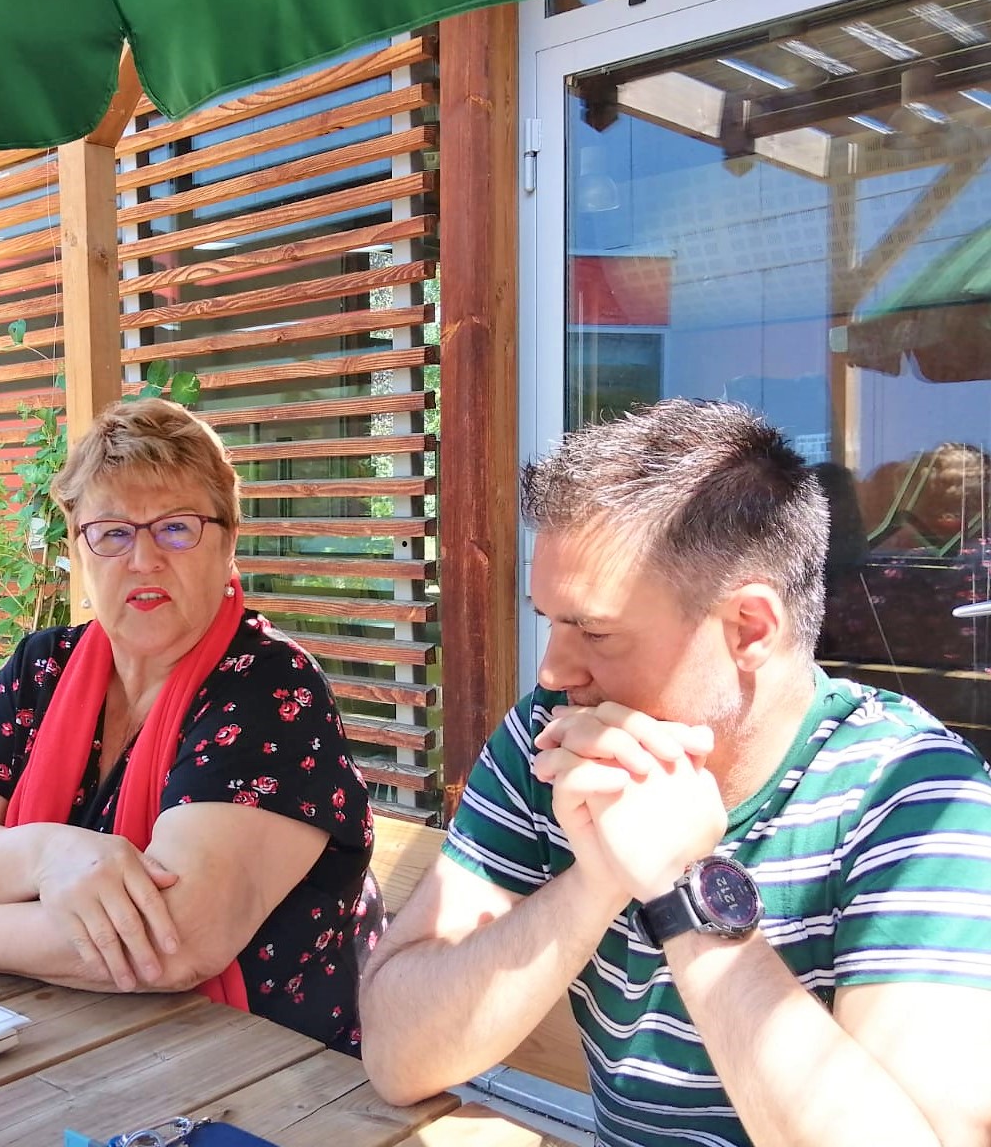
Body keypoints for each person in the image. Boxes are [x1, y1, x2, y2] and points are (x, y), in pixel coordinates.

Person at [359, 400, 991, 1145]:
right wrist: (595, 878)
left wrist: (685, 887)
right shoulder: (549, 741)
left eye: (593, 630)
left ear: (747, 629)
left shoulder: (909, 797)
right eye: (549, 621)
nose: (552, 670)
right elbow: (398, 1057)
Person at [0, 398, 380, 1053]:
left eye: (175, 528)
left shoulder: (270, 689)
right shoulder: (41, 669)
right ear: (79, 548)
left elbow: (173, 942)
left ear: (229, 541)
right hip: (61, 1040)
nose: (143, 559)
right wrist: (48, 855)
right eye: (112, 532)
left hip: (267, 1077)